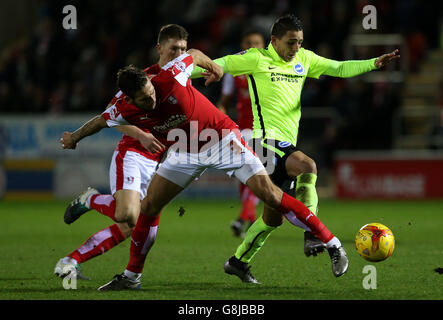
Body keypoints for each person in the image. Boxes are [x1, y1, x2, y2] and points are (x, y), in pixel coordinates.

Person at [60, 48, 348, 290]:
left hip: (223, 140)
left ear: (149, 81)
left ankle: (333, 245)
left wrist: (213, 68)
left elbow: (194, 54)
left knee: (271, 196)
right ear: (129, 99)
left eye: (150, 92)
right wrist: (74, 137)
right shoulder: (121, 109)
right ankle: (132, 277)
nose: (152, 99)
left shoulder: (169, 75)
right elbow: (99, 121)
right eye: (145, 99)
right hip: (184, 150)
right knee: (147, 208)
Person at [192, 14, 400, 257]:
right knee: (307, 165)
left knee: (272, 219)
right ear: (274, 40)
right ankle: (313, 234)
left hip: (285, 143)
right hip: (262, 140)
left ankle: (238, 260)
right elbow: (219, 64)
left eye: (300, 41)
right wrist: (174, 74)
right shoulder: (256, 58)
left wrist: (373, 63)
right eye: (291, 42)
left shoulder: (305, 59)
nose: (296, 47)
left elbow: (339, 67)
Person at [54, 24, 188, 279]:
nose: (178, 54)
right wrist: (140, 134)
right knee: (127, 213)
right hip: (133, 155)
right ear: (160, 49)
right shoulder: (141, 81)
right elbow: (108, 117)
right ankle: (90, 199)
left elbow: (199, 61)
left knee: (131, 226)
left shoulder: (182, 74)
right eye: (173, 49)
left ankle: (71, 260)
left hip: (158, 164)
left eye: (182, 49)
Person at [217, 29, 265, 238]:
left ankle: (245, 218)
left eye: (256, 43)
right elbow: (224, 102)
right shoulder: (234, 70)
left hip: (267, 129)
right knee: (248, 175)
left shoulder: (272, 68)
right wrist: (221, 118)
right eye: (248, 43)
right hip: (244, 129)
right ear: (242, 47)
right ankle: (248, 218)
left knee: (255, 175)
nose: (252, 47)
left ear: (264, 46)